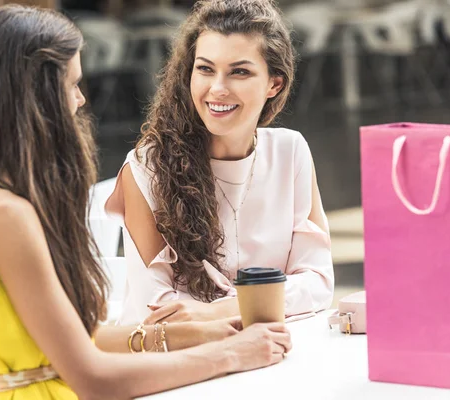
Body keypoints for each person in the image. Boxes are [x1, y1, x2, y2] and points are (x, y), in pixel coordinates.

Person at [0, 5, 291, 399]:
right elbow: (95, 379)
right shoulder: (3, 215)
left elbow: (64, 339)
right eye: (71, 84)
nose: (80, 100)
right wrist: (230, 354)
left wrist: (173, 335)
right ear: (36, 97)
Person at [105, 0, 334, 326]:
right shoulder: (147, 168)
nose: (217, 88)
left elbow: (317, 282)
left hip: (273, 348)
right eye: (205, 69)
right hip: (178, 362)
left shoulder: (290, 151)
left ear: (274, 84)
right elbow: (156, 310)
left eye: (239, 71)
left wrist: (222, 308)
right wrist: (264, 302)